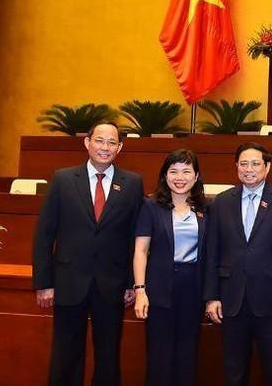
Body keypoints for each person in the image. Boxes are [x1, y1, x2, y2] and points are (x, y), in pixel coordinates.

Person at [32, 121, 144, 386]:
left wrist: (131, 282)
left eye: (111, 142)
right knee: (65, 354)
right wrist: (44, 283)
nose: (105, 147)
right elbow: (45, 234)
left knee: (108, 355)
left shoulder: (133, 183)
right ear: (87, 142)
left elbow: (135, 237)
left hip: (112, 284)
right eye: (100, 140)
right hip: (68, 282)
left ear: (120, 147)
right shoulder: (63, 179)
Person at [204, 142, 272, 386]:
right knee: (234, 372)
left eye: (256, 163)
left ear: (267, 167)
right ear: (236, 166)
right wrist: (212, 296)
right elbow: (212, 252)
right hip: (232, 301)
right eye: (243, 163)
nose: (249, 169)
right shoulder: (222, 201)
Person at [133, 149, 207, 386]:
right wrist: (140, 290)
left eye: (187, 171)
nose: (180, 176)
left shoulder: (206, 209)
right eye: (173, 171)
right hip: (159, 289)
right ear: (165, 175)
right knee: (159, 357)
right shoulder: (151, 206)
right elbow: (140, 251)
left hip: (193, 289)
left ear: (196, 176)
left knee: (188, 355)